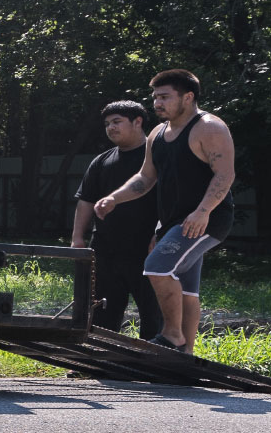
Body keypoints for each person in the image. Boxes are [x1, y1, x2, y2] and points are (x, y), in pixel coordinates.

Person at [93, 68, 236, 353]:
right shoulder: (158, 133)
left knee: (156, 267)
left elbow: (225, 175)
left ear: (188, 97)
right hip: (174, 221)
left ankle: (171, 335)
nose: (157, 103)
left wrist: (202, 211)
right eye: (155, 97)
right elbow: (146, 178)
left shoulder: (209, 127)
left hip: (206, 219)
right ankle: (185, 354)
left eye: (165, 97)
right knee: (186, 288)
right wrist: (114, 198)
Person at [71, 100, 163, 340]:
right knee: (103, 310)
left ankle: (152, 364)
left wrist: (162, 232)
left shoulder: (157, 158)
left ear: (138, 122)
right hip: (106, 249)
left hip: (148, 249)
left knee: (153, 312)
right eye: (107, 124)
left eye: (117, 122)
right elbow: (86, 201)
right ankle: (101, 360)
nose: (111, 128)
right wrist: (77, 239)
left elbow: (174, 200)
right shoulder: (101, 161)